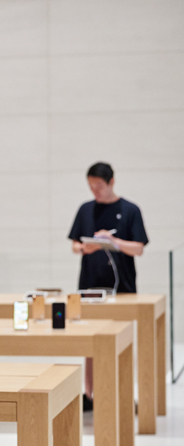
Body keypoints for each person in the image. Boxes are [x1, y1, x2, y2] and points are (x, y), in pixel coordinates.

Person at [69, 162, 149, 411]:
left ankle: (126, 396)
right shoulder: (85, 209)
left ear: (112, 182)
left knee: (122, 342)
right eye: (91, 186)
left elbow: (138, 248)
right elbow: (74, 244)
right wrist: (85, 247)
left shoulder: (130, 210)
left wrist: (112, 241)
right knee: (90, 342)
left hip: (122, 288)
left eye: (99, 186)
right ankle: (90, 395)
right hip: (89, 287)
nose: (95, 191)